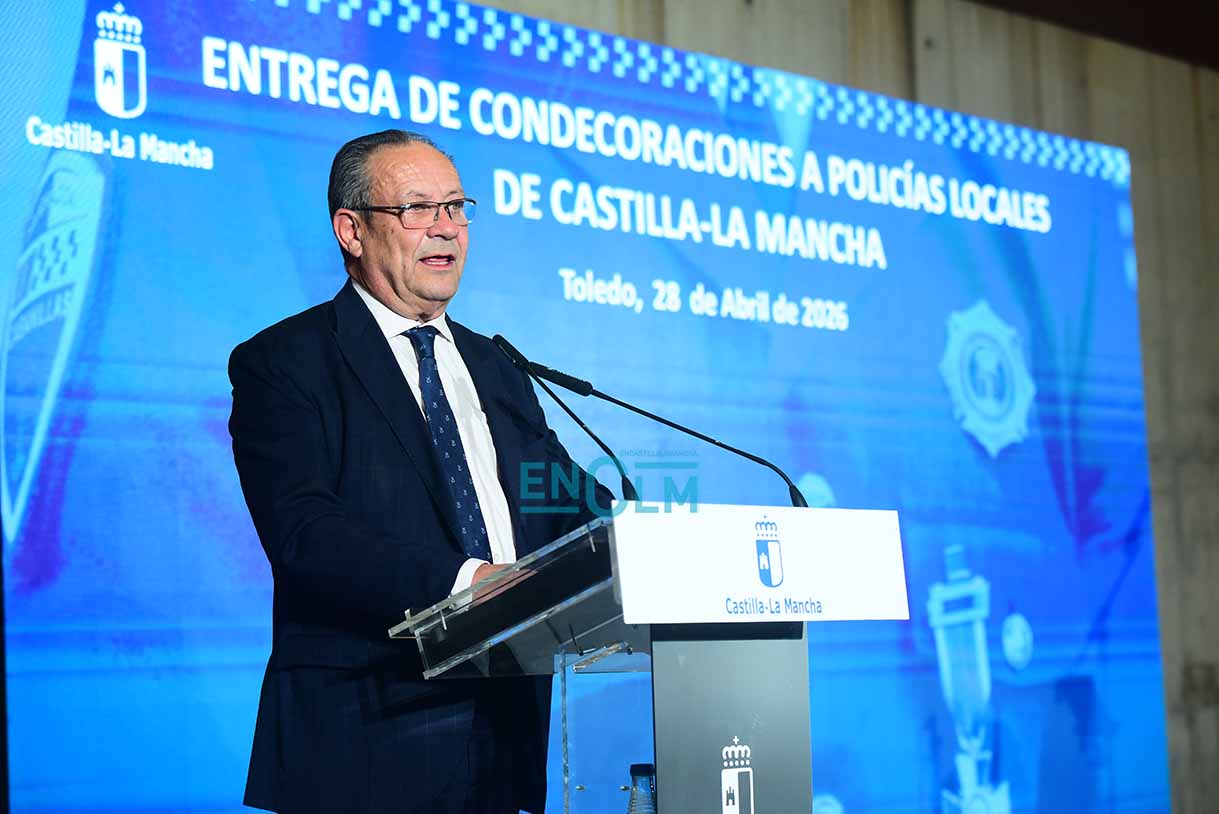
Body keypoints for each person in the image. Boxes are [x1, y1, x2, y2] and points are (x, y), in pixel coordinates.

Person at [228, 129, 610, 814]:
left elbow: (558, 498)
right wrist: (469, 584)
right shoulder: (286, 361)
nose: (446, 229)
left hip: (503, 733)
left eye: (456, 207)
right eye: (417, 210)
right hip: (365, 736)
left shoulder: (497, 367)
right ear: (351, 230)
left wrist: (638, 542)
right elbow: (304, 533)